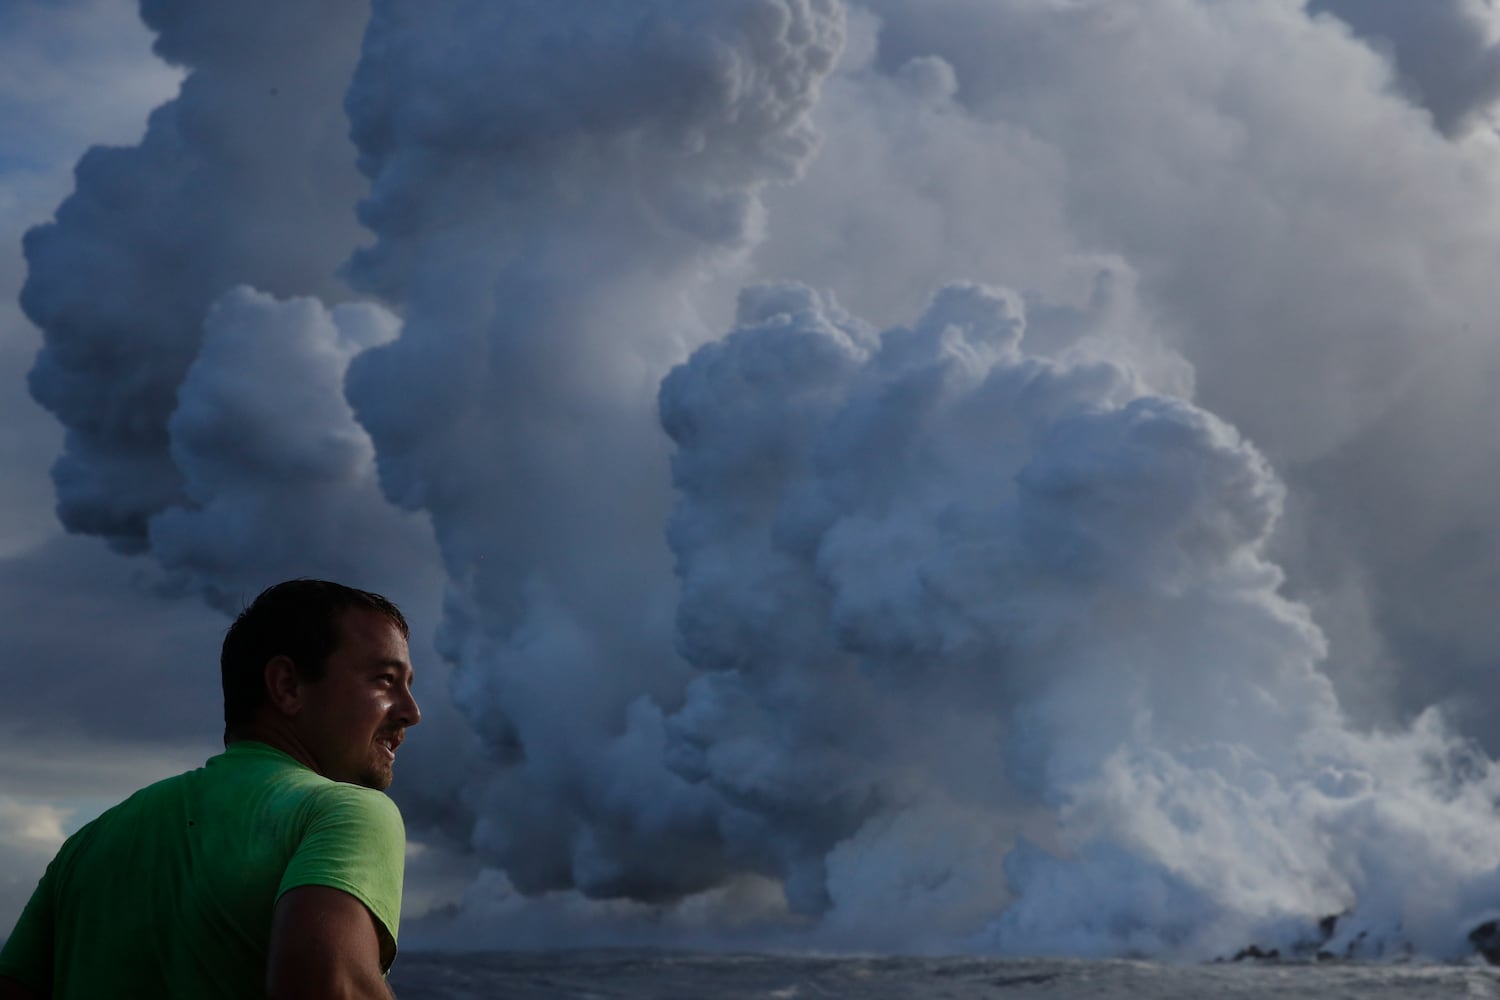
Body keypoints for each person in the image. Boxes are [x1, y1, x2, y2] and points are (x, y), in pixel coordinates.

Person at [0, 579, 422, 999]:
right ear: (287, 686)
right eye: (385, 680)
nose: (411, 712)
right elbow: (325, 985)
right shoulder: (345, 813)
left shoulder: (87, 844)